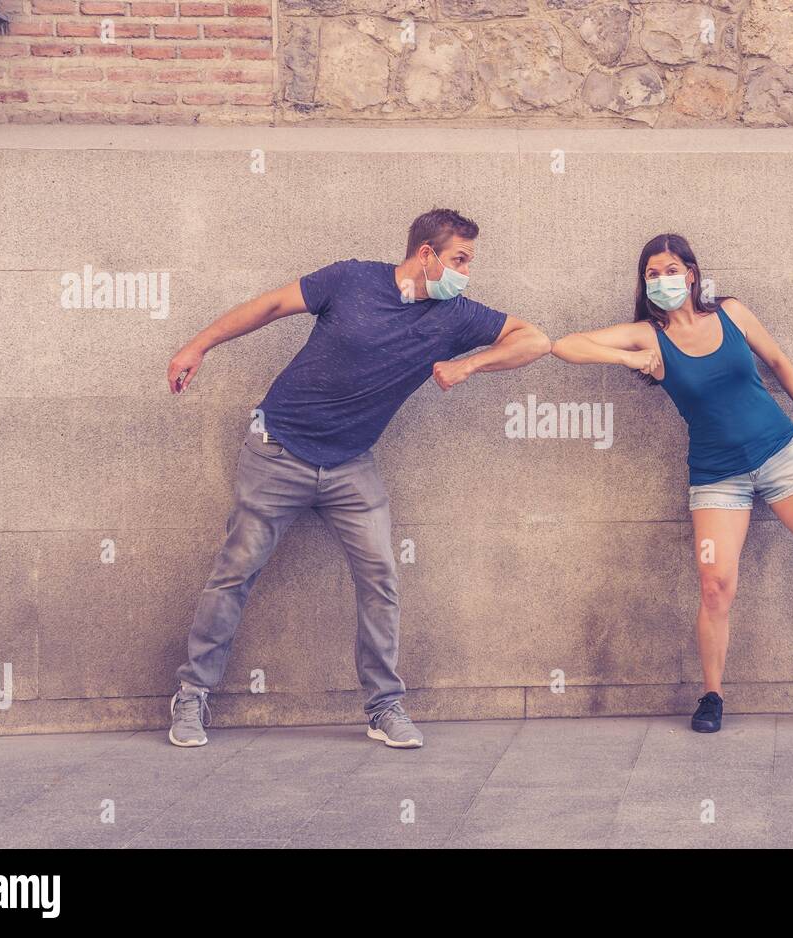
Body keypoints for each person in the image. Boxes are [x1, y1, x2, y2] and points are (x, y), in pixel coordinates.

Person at [164, 208, 551, 749]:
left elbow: (535, 340)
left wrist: (468, 366)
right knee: (234, 573)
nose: (467, 271)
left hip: (351, 466)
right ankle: (192, 694)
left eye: (470, 261)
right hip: (277, 450)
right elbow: (273, 304)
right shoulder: (352, 279)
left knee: (381, 581)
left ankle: (384, 706)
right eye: (460, 259)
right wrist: (199, 344)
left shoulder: (456, 315)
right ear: (426, 255)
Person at [550, 233, 793, 733]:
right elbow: (563, 345)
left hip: (782, 453)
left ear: (691, 275)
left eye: (671, 270)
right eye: (652, 273)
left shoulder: (732, 312)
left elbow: (778, 362)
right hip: (718, 476)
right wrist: (628, 359)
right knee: (716, 586)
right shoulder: (648, 335)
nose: (662, 280)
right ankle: (712, 695)